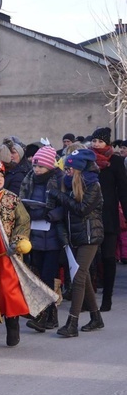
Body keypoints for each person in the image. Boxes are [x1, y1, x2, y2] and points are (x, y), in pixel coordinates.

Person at [0, 158, 55, 351]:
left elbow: (23, 223)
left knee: (9, 294)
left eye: (1, 176)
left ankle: (13, 330)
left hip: (9, 257)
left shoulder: (12, 199)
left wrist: (17, 243)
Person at [46, 149, 105, 337]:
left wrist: (59, 195)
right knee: (83, 276)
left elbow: (81, 209)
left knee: (78, 278)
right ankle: (96, 318)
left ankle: (72, 323)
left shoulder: (93, 184)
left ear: (79, 169)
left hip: (90, 237)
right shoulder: (69, 183)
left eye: (70, 168)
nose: (67, 172)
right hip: (76, 236)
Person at [19, 145, 65, 332]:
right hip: (34, 235)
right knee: (37, 275)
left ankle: (44, 316)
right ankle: (51, 317)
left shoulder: (60, 179)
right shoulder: (28, 179)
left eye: (41, 167)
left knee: (47, 276)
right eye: (35, 166)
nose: (36, 169)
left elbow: (67, 204)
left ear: (49, 166)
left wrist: (52, 215)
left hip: (52, 234)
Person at [88, 127, 127, 311]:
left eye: (100, 141)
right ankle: (89, 296)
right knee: (89, 258)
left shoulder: (116, 161)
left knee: (108, 257)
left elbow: (123, 190)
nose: (96, 144)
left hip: (109, 215)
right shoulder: (87, 159)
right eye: (94, 141)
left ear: (107, 143)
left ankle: (107, 298)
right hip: (89, 214)